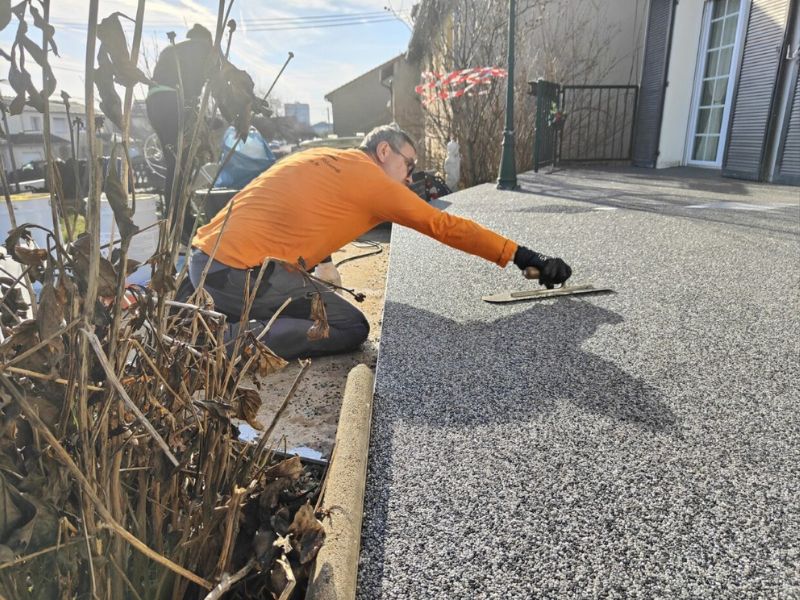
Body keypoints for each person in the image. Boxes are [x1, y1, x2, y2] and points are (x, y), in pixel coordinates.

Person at [189, 124, 572, 360]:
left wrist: (322, 264)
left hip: (202, 263)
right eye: (409, 165)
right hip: (239, 277)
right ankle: (224, 341)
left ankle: (216, 316)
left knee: (312, 302)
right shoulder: (373, 181)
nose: (409, 178)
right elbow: (444, 226)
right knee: (349, 327)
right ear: (384, 151)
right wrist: (522, 256)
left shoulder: (321, 157)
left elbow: (304, 214)